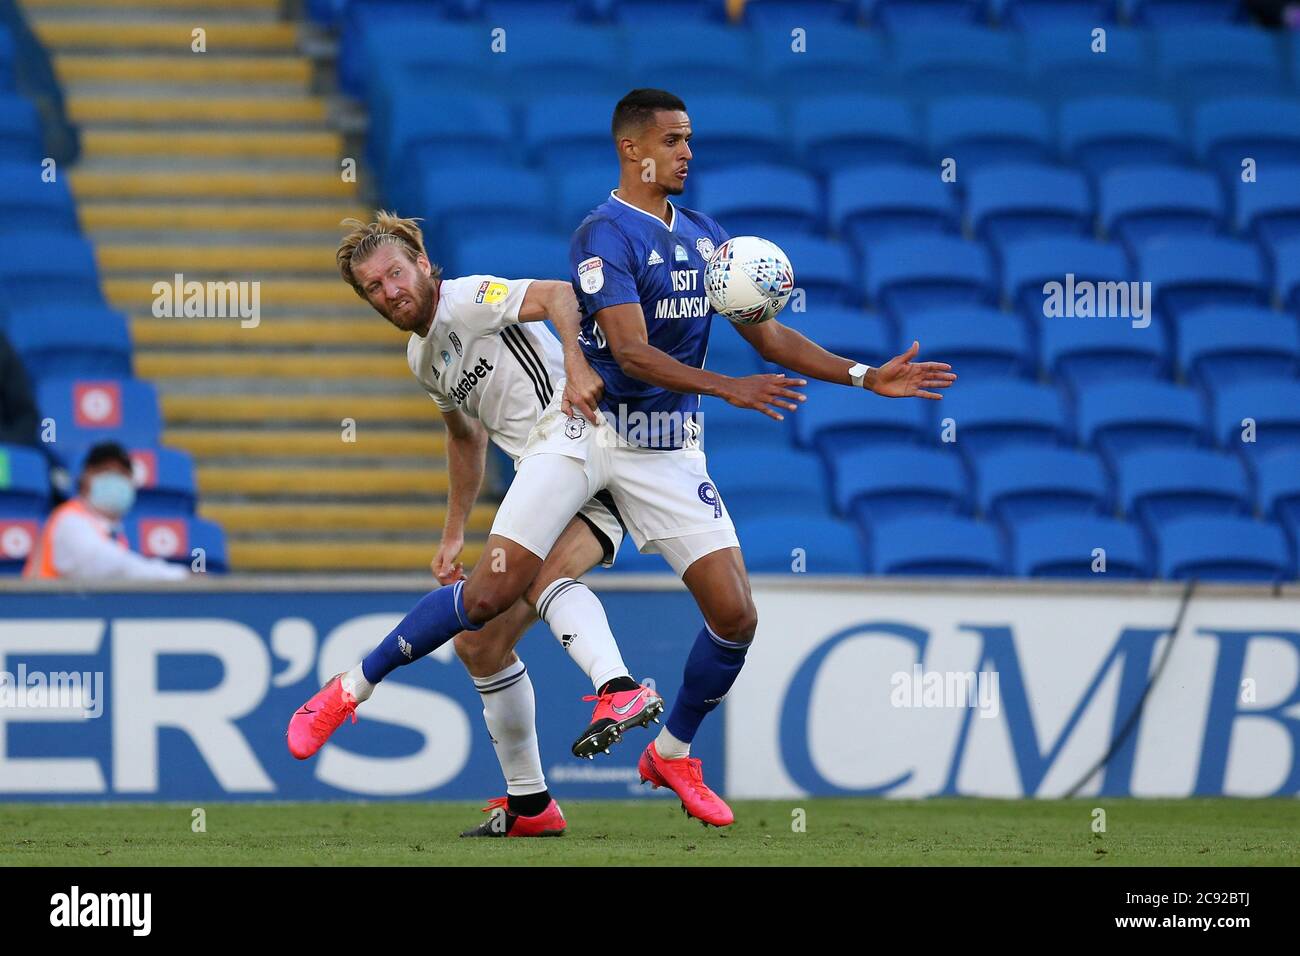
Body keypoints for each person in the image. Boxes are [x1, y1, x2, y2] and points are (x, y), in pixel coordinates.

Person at [290, 91, 956, 829]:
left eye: (688, 139)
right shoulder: (601, 237)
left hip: (661, 451)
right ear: (634, 150)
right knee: (486, 622)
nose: (687, 153)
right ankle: (395, 707)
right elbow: (605, 363)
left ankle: (664, 752)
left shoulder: (706, 240)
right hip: (589, 438)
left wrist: (865, 377)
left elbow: (767, 339)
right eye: (674, 140)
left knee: (734, 616)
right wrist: (721, 386)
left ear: (422, 263)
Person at [288, 212, 662, 838]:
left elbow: (559, 295)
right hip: (549, 474)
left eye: (396, 274)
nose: (390, 292)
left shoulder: (466, 299)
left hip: (580, 440)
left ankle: (352, 687)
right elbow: (465, 435)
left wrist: (574, 361)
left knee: (500, 592)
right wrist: (453, 530)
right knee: (480, 643)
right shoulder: (422, 357)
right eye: (373, 289)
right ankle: (531, 806)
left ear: (423, 263)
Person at [22, 441, 188, 581]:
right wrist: (181, 576)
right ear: (85, 478)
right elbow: (111, 566)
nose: (114, 479)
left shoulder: (111, 531)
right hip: (45, 615)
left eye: (122, 473)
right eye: (105, 471)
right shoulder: (69, 520)